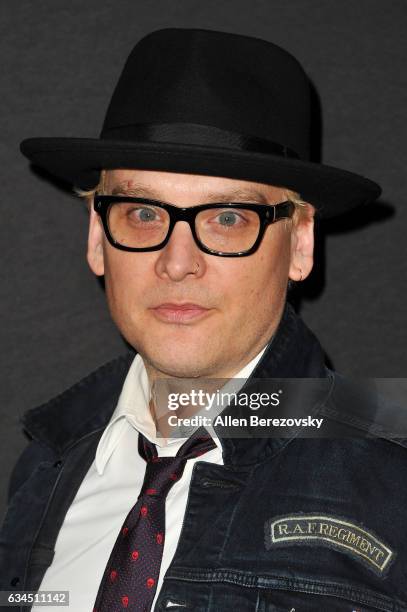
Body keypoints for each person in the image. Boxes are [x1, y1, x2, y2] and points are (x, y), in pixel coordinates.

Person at [1, 27, 406, 612]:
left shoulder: (392, 474)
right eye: (143, 212)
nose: (177, 262)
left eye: (228, 219)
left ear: (299, 244)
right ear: (97, 236)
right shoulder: (45, 466)